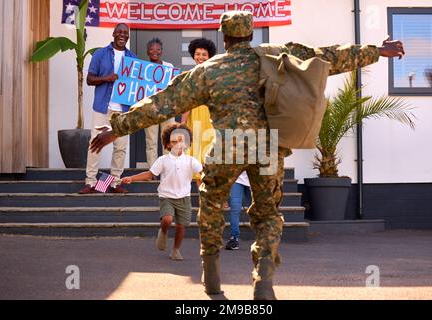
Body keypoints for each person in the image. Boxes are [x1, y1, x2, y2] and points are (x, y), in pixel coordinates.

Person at [90, 11, 405, 299]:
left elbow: (161, 103)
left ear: (224, 38)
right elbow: (327, 56)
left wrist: (115, 130)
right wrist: (378, 51)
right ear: (251, 35)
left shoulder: (208, 70)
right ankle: (264, 281)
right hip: (267, 145)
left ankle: (212, 278)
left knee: (212, 203)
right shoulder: (275, 57)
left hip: (229, 143)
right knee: (268, 213)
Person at [121, 123, 202, 261]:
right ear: (167, 144)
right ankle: (163, 231)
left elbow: (203, 174)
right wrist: (132, 178)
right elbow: (150, 174)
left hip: (184, 197)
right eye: (173, 142)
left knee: (181, 226)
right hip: (167, 196)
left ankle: (176, 250)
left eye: (180, 140)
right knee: (167, 219)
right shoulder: (163, 160)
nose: (177, 144)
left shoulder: (191, 161)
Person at [78, 23, 137, 194]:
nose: (122, 35)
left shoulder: (132, 58)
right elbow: (89, 79)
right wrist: (107, 78)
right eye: (119, 32)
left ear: (128, 36)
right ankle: (91, 182)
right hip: (103, 108)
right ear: (113, 33)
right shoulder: (100, 54)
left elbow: (136, 85)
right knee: (95, 144)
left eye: (125, 33)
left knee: (120, 147)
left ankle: (115, 183)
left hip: (122, 110)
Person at [181, 38, 217, 190]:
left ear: (209, 56)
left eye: (204, 54)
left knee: (213, 158)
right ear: (193, 55)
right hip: (194, 120)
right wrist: (182, 124)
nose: (201, 57)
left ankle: (216, 195)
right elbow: (186, 102)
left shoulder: (216, 75)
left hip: (211, 120)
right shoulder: (188, 75)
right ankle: (203, 195)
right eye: (198, 54)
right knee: (196, 156)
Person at [144, 38, 176, 168]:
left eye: (157, 49)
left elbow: (174, 88)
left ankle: (167, 168)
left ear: (161, 51)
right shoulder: (143, 69)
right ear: (147, 51)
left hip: (167, 110)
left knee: (168, 140)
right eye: (152, 49)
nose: (154, 52)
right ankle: (152, 170)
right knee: (151, 141)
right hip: (150, 110)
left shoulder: (169, 67)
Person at [225, 171, 251, 250]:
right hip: (237, 179)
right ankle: (234, 238)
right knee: (235, 208)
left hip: (255, 179)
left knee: (258, 209)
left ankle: (263, 237)